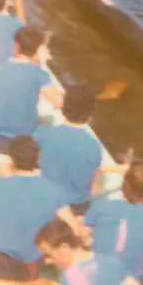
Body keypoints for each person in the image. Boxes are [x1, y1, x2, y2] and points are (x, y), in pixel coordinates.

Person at [0, 135, 69, 283]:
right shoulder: (54, 190)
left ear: (11, 159)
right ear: (38, 158)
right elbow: (71, 226)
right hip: (30, 270)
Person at [81, 161, 143, 280]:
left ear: (124, 184)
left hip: (96, 276)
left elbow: (82, 236)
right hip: (129, 283)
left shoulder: (100, 206)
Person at [0, 24, 60, 152]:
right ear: (37, 50)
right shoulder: (40, 75)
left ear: (16, 46)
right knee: (48, 121)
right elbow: (58, 102)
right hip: (22, 143)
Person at [34, 82, 102, 214]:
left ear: (63, 107)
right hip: (75, 206)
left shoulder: (43, 134)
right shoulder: (94, 148)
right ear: (90, 115)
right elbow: (92, 185)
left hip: (47, 197)